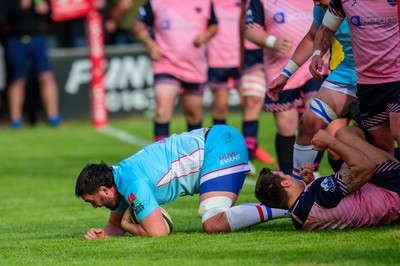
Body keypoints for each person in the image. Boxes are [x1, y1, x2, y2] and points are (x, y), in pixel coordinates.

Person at [75, 125, 289, 238]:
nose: (95, 206)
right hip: (218, 142)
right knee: (218, 220)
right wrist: (104, 235)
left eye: (92, 201)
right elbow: (113, 226)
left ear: (104, 189)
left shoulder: (131, 184)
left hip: (220, 146)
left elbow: (158, 232)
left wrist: (126, 224)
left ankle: (289, 208)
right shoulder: (119, 180)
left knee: (213, 223)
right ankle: (291, 197)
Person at [267, 0, 357, 178]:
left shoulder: (367, 4)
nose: (315, 3)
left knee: (381, 138)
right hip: (346, 70)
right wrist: (286, 74)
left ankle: (383, 195)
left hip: (380, 73)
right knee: (309, 124)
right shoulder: (323, 8)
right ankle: (298, 192)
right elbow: (313, 36)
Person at [255, 126, 400, 231]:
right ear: (286, 183)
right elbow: (365, 167)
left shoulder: (298, 221)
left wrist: (309, 183)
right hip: (391, 191)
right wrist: (331, 142)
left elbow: (327, 206)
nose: (289, 175)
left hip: (389, 207)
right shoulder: (319, 193)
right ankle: (364, 119)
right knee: (344, 134)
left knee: (344, 156)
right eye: (285, 175)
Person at [245, 0, 329, 175]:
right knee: (286, 125)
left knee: (315, 117)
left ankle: (310, 170)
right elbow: (250, 29)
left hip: (316, 65)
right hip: (280, 68)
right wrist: (271, 41)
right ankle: (287, 175)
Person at [309, 0, 400, 156]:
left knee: (398, 132)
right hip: (367, 83)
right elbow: (327, 28)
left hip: (396, 79)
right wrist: (317, 54)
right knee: (381, 149)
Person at [134, 0, 218, 142]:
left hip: (194, 68)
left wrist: (206, 35)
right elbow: (139, 27)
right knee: (162, 112)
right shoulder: (156, 3)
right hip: (165, 64)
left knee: (194, 115)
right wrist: (151, 44)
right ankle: (161, 157)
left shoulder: (205, 2)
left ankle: (194, 156)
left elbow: (214, 26)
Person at [3, 0, 61, 128]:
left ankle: (54, 117)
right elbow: (3, 16)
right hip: (15, 39)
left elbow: (55, 14)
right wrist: (18, 7)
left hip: (37, 38)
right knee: (18, 80)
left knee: (46, 76)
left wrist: (46, 10)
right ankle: (16, 120)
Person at [238, 0, 275, 174]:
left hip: (282, 53)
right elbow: (243, 23)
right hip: (253, 54)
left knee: (290, 110)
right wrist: (240, 54)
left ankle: (293, 162)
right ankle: (248, 158)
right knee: (252, 101)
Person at [206, 0, 241, 127]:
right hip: (218, 62)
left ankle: (250, 145)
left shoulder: (245, 3)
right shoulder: (208, 4)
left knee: (251, 103)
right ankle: (220, 143)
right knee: (221, 107)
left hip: (242, 62)